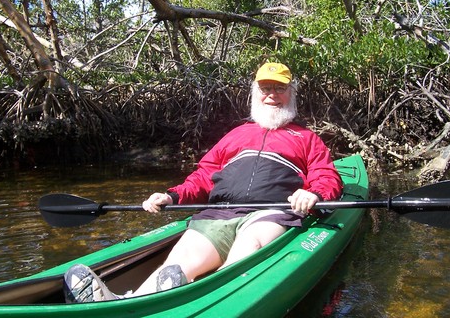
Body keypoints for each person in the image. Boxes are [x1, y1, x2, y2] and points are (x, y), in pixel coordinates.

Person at [63, 62, 343, 303]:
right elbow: (204, 175)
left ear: (291, 94)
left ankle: (210, 300)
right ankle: (125, 301)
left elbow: (326, 176)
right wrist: (172, 196)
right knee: (180, 259)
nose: (272, 94)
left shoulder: (306, 138)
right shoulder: (236, 135)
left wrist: (314, 193)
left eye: (279, 88)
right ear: (255, 94)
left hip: (270, 211)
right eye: (265, 88)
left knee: (249, 245)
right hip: (220, 211)